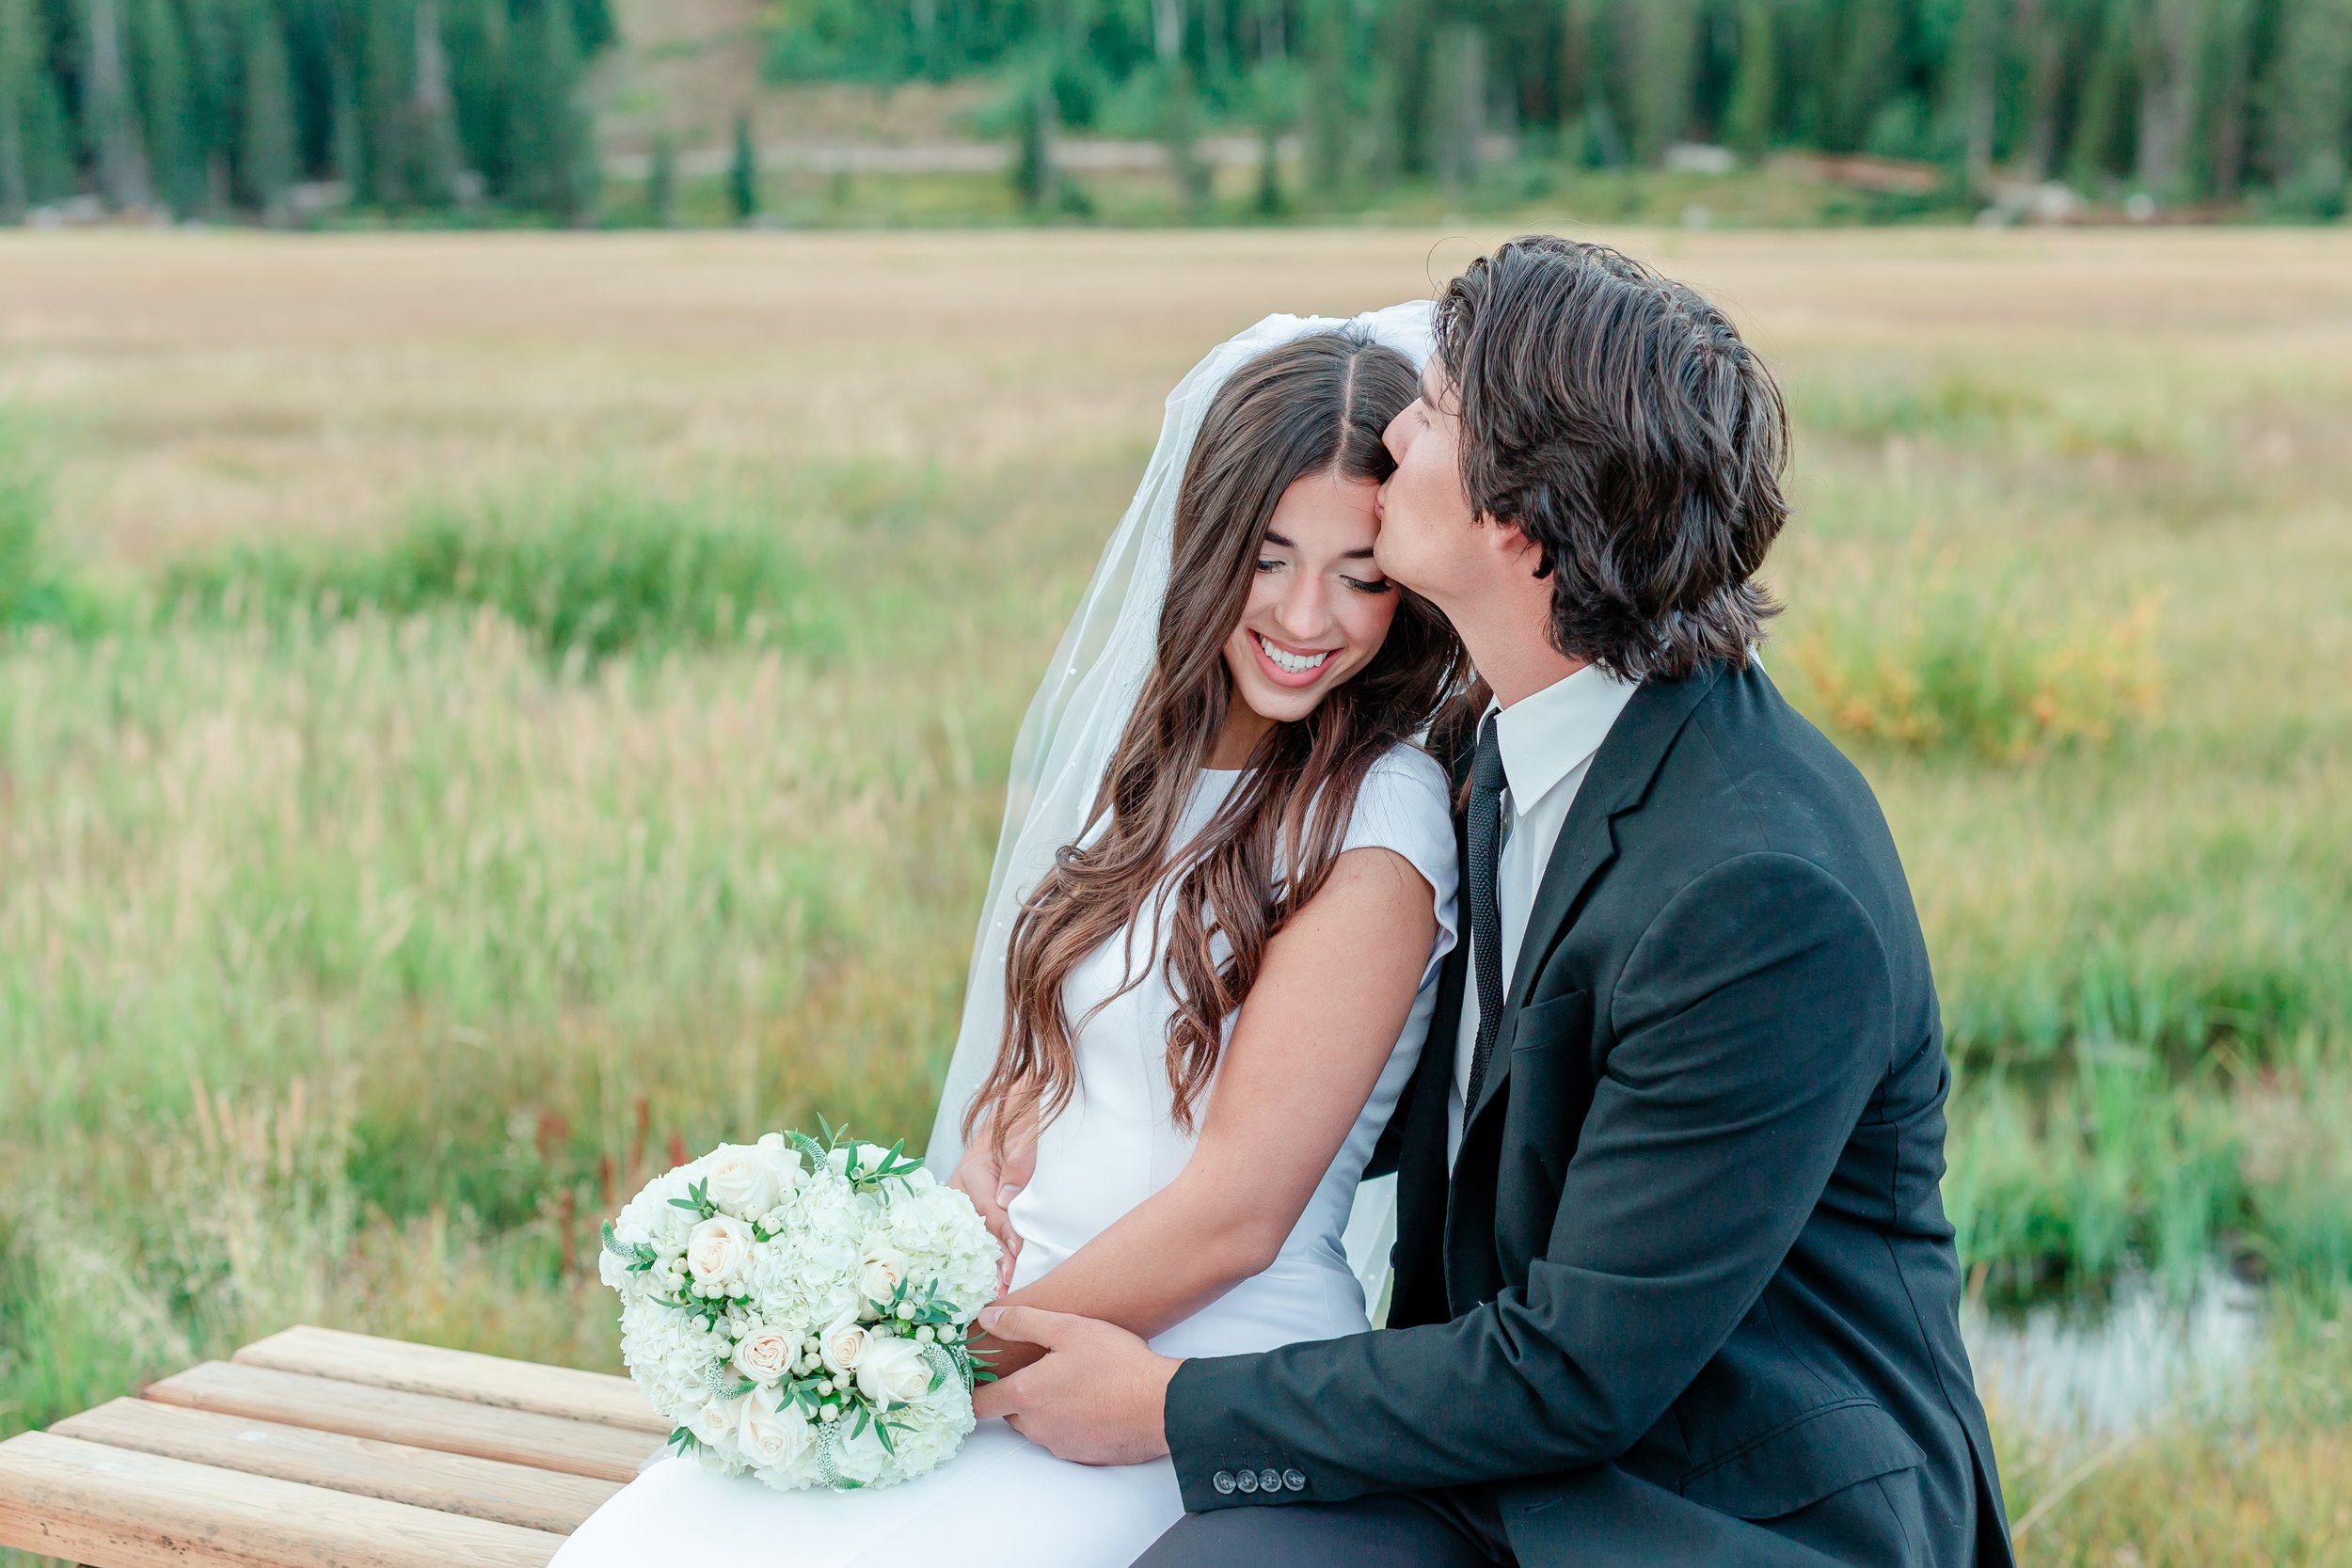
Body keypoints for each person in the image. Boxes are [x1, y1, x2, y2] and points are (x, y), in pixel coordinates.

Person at [969, 237, 2015, 1568]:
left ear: (1516, 524)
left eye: (1440, 409)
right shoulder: (1497, 752)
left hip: (1719, 1505)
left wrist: (1175, 1407)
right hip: (1501, 1454)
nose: (1402, 423)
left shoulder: (1759, 893)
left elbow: (1583, 1369)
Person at [549, 308, 1470, 1566]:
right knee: (643, 1546)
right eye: (1268, 559)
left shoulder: (1381, 814)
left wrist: (919, 1359)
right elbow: (1044, 1072)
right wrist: (953, 1220)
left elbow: (1235, 1215)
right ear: (1204, 545)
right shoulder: (1139, 778)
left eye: (1362, 575)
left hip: (1173, 1373)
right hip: (1018, 1327)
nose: (1309, 616)